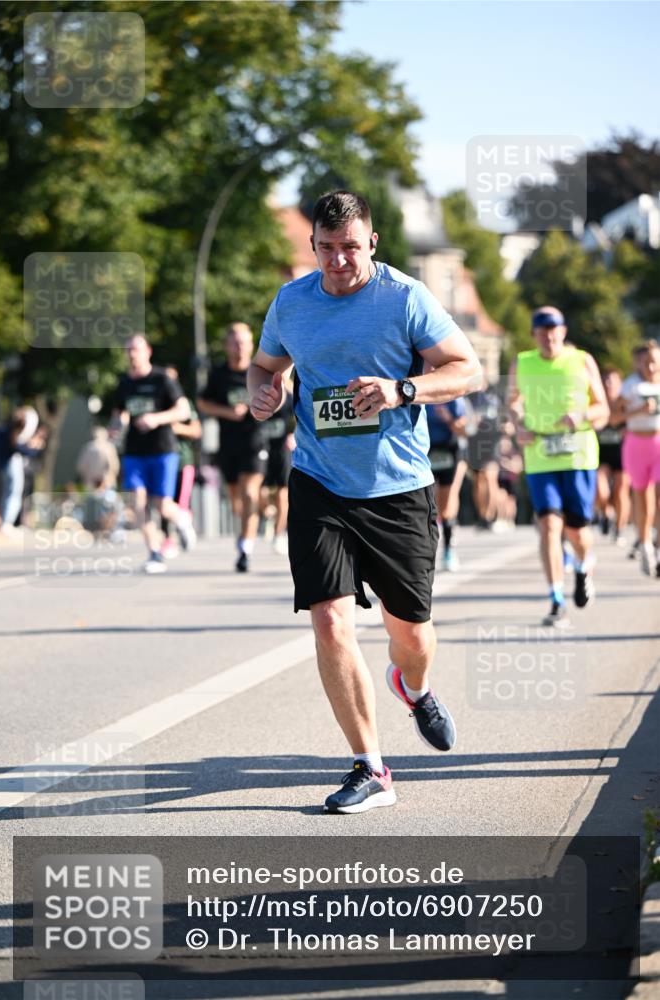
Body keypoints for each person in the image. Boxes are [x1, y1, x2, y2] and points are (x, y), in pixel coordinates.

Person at [248, 190, 481, 814]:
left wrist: (403, 388)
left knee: (411, 633)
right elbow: (263, 366)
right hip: (319, 481)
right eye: (326, 250)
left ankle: (414, 685)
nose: (339, 262)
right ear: (313, 247)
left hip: (398, 488)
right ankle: (370, 766)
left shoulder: (405, 297)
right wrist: (263, 393)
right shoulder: (292, 302)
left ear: (371, 242)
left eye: (350, 248)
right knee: (329, 619)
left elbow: (467, 369)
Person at [508, 306, 609, 627]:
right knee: (549, 526)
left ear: (563, 332)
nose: (549, 335)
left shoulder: (582, 360)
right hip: (539, 455)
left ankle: (583, 564)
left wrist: (581, 416)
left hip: (577, 455)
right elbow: (511, 402)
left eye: (554, 329)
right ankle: (556, 598)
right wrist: (518, 423)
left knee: (577, 530)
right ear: (534, 334)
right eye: (542, 330)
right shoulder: (522, 362)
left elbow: (603, 408)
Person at [110, 334, 194, 574]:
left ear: (147, 351)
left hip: (162, 449)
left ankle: (182, 519)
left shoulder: (162, 379)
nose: (132, 354)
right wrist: (115, 427)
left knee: (161, 504)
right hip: (134, 451)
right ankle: (155, 553)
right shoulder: (124, 383)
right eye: (128, 351)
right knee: (138, 502)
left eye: (135, 349)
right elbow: (119, 413)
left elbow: (183, 409)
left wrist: (156, 419)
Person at [198, 323, 269, 572]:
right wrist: (228, 412)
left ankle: (245, 548)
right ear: (227, 346)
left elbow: (284, 396)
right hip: (227, 444)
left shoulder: (260, 371)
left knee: (249, 493)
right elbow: (203, 403)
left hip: (255, 441)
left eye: (243, 341)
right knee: (236, 499)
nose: (239, 346)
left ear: (251, 344)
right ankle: (253, 518)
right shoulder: (219, 375)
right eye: (234, 342)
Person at [616, 341, 660, 576]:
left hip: (659, 443)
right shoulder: (631, 386)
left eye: (654, 360)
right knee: (644, 500)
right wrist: (638, 411)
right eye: (646, 362)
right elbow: (614, 416)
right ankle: (645, 546)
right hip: (636, 444)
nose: (651, 366)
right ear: (639, 363)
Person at [160, 365, 201, 560]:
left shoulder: (185, 405)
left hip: (182, 462)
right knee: (161, 503)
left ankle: (183, 528)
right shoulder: (157, 404)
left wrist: (174, 428)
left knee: (180, 503)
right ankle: (167, 541)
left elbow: (196, 430)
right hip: (160, 459)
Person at [425, 399, 468, 571]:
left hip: (449, 452)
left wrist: (448, 418)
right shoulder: (418, 388)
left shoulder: (454, 399)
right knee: (427, 502)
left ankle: (449, 550)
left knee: (447, 504)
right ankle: (427, 553)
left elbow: (463, 431)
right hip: (425, 451)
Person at [0, 407, 44, 535]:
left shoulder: (1, 431)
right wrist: (35, 449)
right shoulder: (11, 433)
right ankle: (6, 523)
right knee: (12, 492)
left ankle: (3, 522)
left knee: (2, 495)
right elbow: (18, 448)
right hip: (1, 466)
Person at [594, 368, 630, 545]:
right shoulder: (597, 404)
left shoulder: (626, 405)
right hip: (601, 454)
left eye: (612, 381)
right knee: (601, 490)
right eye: (605, 380)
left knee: (621, 489)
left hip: (623, 454)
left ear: (620, 384)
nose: (608, 384)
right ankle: (606, 512)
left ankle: (620, 528)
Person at [261, 375, 295, 555]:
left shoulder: (290, 390)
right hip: (261, 447)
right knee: (258, 492)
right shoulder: (258, 383)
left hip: (282, 448)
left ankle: (278, 534)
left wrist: (294, 434)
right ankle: (268, 512)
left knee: (283, 492)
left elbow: (301, 413)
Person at [465, 378, 504, 531]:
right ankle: (482, 516)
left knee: (490, 477)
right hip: (474, 442)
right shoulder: (468, 399)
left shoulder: (494, 397)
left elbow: (504, 417)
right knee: (479, 481)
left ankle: (491, 516)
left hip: (492, 442)